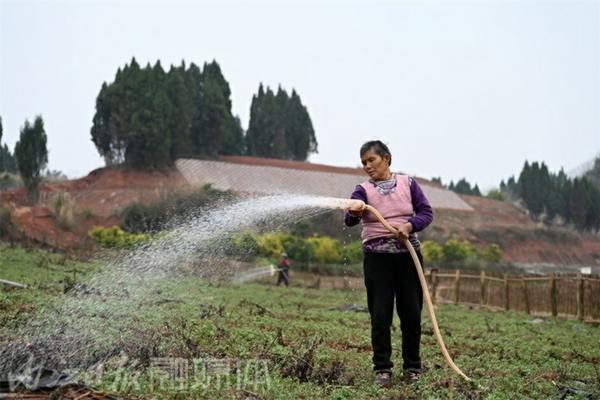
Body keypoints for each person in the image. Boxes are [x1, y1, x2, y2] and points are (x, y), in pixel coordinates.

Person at [344, 140, 433, 387]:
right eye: (363, 162)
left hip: (408, 256)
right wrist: (353, 210)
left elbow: (426, 212)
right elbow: (350, 221)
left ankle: (412, 368)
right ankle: (382, 369)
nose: (367, 166)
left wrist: (409, 226)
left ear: (386, 158)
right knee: (380, 315)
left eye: (371, 160)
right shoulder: (362, 190)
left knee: (412, 314)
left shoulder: (409, 183)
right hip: (377, 259)